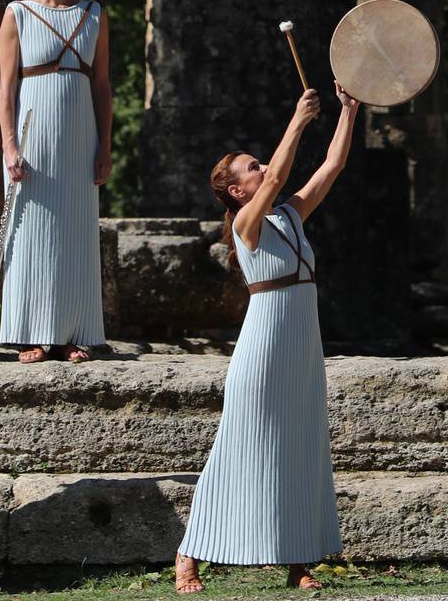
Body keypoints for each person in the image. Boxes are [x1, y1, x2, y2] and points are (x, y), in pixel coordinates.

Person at [173, 83, 362, 594]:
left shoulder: (289, 215)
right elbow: (279, 175)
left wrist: (347, 112)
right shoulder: (246, 225)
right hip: (263, 346)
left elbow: (331, 168)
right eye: (250, 168)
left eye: (259, 164)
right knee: (239, 443)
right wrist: (297, 120)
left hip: (302, 344)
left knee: (300, 445)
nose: (261, 170)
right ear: (237, 191)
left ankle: (298, 561)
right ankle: (190, 551)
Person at [0, 0, 111, 362]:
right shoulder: (17, 14)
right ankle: (31, 333)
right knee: (31, 231)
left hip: (79, 134)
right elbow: (6, 88)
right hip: (32, 132)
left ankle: (71, 332)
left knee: (75, 229)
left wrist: (105, 146)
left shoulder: (94, 14)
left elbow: (102, 86)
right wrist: (9, 145)